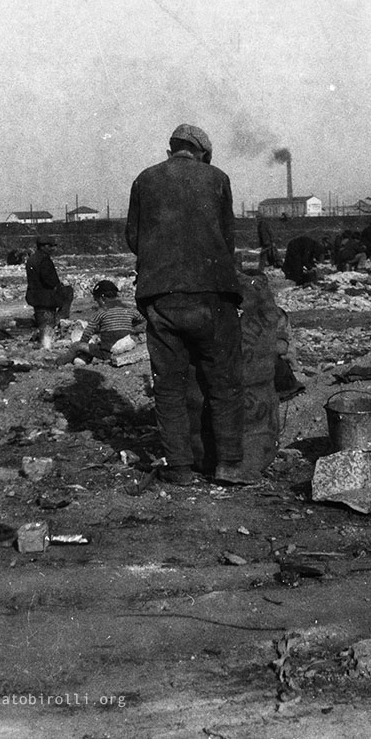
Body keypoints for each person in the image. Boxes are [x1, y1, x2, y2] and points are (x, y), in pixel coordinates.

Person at [124, 123, 248, 485]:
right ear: (203, 154)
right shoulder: (217, 178)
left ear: (172, 149)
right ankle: (228, 464)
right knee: (223, 381)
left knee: (169, 385)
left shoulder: (144, 180)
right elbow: (227, 238)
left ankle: (179, 467)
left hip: (161, 296)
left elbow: (134, 237)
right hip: (212, 295)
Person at [25, 235, 73, 350]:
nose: (52, 249)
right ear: (42, 247)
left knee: (43, 321)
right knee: (68, 291)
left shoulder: (32, 258)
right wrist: (58, 286)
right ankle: (60, 321)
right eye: (50, 246)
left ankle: (47, 336)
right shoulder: (44, 260)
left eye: (53, 246)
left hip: (35, 295)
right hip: (46, 297)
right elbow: (50, 280)